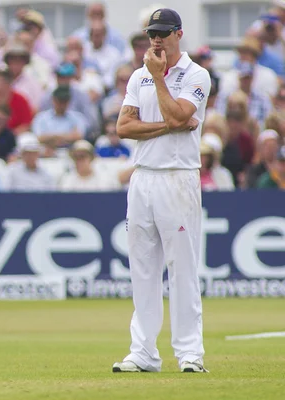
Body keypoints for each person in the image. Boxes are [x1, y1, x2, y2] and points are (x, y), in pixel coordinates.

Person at [112, 8, 211, 374]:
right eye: (152, 32)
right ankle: (143, 352)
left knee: (182, 268)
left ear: (178, 34)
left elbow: (178, 113)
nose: (156, 39)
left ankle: (189, 353)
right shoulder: (139, 75)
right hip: (143, 177)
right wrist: (169, 127)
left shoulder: (196, 75)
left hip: (178, 177)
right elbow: (124, 127)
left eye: (164, 32)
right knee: (142, 269)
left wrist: (159, 80)